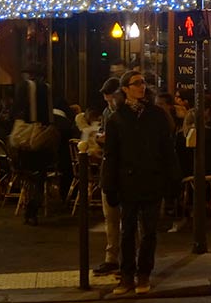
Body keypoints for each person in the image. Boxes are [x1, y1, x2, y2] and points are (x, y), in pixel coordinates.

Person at [102, 71, 175, 296]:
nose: (141, 87)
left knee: (149, 231)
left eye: (143, 83)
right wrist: (109, 185)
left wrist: (172, 179)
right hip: (128, 181)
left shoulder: (157, 115)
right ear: (125, 89)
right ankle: (126, 275)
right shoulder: (117, 118)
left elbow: (167, 150)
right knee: (128, 231)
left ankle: (143, 273)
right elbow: (111, 154)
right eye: (136, 84)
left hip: (151, 179)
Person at [12, 65, 57, 226]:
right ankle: (33, 209)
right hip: (42, 139)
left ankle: (28, 209)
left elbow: (16, 110)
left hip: (26, 139)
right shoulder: (48, 89)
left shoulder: (24, 87)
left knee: (29, 177)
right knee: (39, 178)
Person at [93, 78, 123, 277]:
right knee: (110, 217)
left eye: (110, 98)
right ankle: (111, 258)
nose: (108, 103)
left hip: (126, 169)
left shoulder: (127, 114)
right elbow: (104, 133)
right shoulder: (107, 113)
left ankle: (129, 260)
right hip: (110, 168)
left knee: (129, 218)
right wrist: (100, 138)